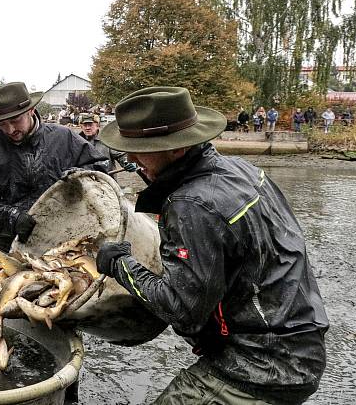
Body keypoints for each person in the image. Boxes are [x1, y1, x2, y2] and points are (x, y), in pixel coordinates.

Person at [95, 87, 328, 404]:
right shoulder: (241, 170)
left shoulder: (192, 204)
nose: (132, 160)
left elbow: (182, 310)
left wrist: (121, 265)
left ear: (177, 149)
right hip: (303, 346)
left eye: (140, 149)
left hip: (261, 365)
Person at [0, 82, 108, 283]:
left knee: (56, 303)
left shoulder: (64, 138)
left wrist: (80, 177)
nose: (10, 130)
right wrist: (10, 217)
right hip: (4, 249)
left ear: (31, 111)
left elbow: (100, 171)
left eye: (15, 120)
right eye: (2, 124)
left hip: (59, 249)